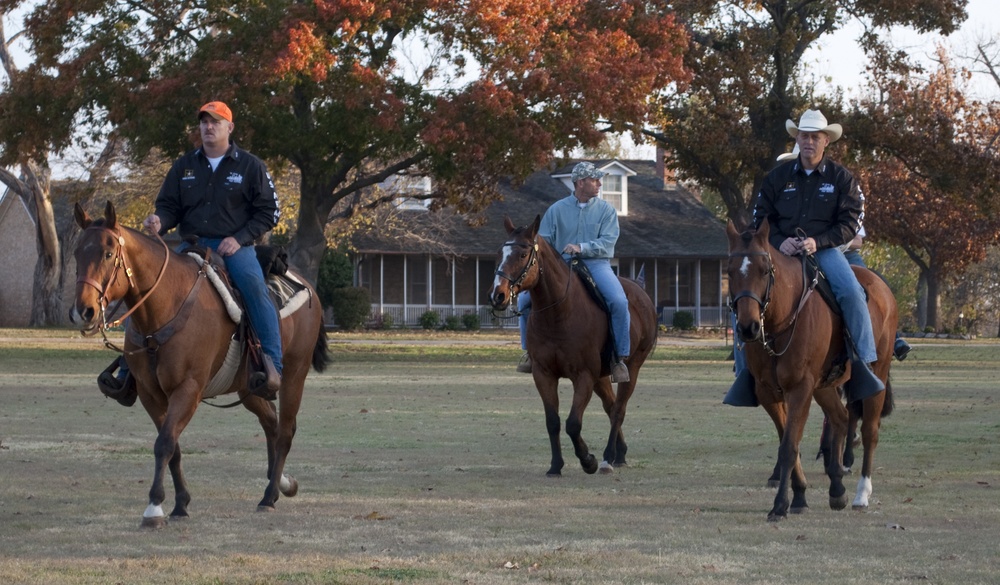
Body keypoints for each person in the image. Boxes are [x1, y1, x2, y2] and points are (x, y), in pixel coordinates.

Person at [98, 101, 283, 403]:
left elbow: (269, 212)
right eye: (204, 122)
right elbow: (169, 206)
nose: (209, 127)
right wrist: (160, 220)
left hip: (235, 248)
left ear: (229, 128)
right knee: (143, 290)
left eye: (216, 122)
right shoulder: (184, 166)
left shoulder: (251, 166)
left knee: (253, 287)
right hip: (191, 247)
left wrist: (239, 238)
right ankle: (128, 369)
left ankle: (272, 366)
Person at [725, 109, 885, 406]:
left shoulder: (841, 179)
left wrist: (818, 241)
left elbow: (850, 223)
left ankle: (863, 364)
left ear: (826, 141)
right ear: (797, 139)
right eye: (804, 136)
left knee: (851, 293)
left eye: (815, 137)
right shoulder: (776, 178)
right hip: (781, 252)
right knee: (743, 295)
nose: (809, 141)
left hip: (824, 251)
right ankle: (745, 373)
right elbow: (761, 218)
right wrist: (778, 241)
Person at [516, 161, 631, 383]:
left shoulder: (606, 210)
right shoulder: (556, 210)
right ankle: (529, 353)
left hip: (596, 264)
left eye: (599, 179)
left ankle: (619, 358)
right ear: (580, 182)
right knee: (523, 302)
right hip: (562, 265)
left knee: (619, 302)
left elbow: (608, 242)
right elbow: (544, 241)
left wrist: (582, 247)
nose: (599, 183)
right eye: (594, 179)